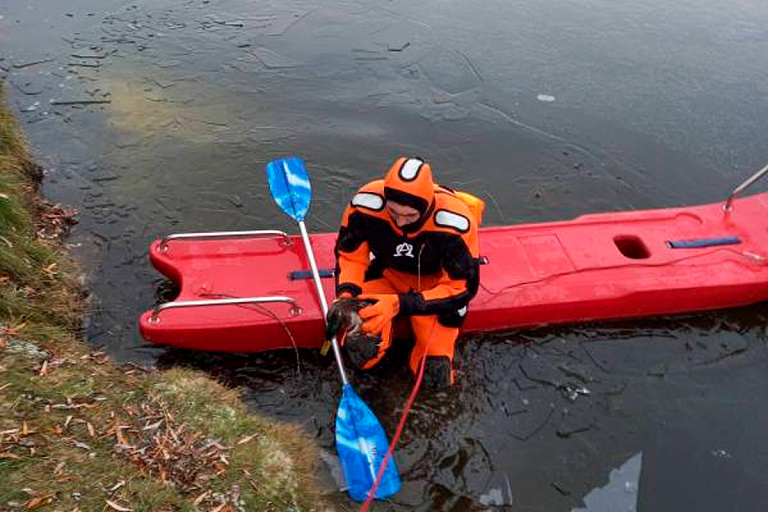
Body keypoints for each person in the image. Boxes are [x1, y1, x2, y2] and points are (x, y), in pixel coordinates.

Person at [330, 156, 482, 389]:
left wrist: (400, 304)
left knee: (434, 374)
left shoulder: (455, 224)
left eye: (410, 216)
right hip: (387, 276)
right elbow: (351, 257)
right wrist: (346, 297)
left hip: (434, 290)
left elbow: (461, 288)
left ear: (426, 207)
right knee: (361, 352)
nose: (401, 222)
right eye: (393, 212)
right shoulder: (365, 204)